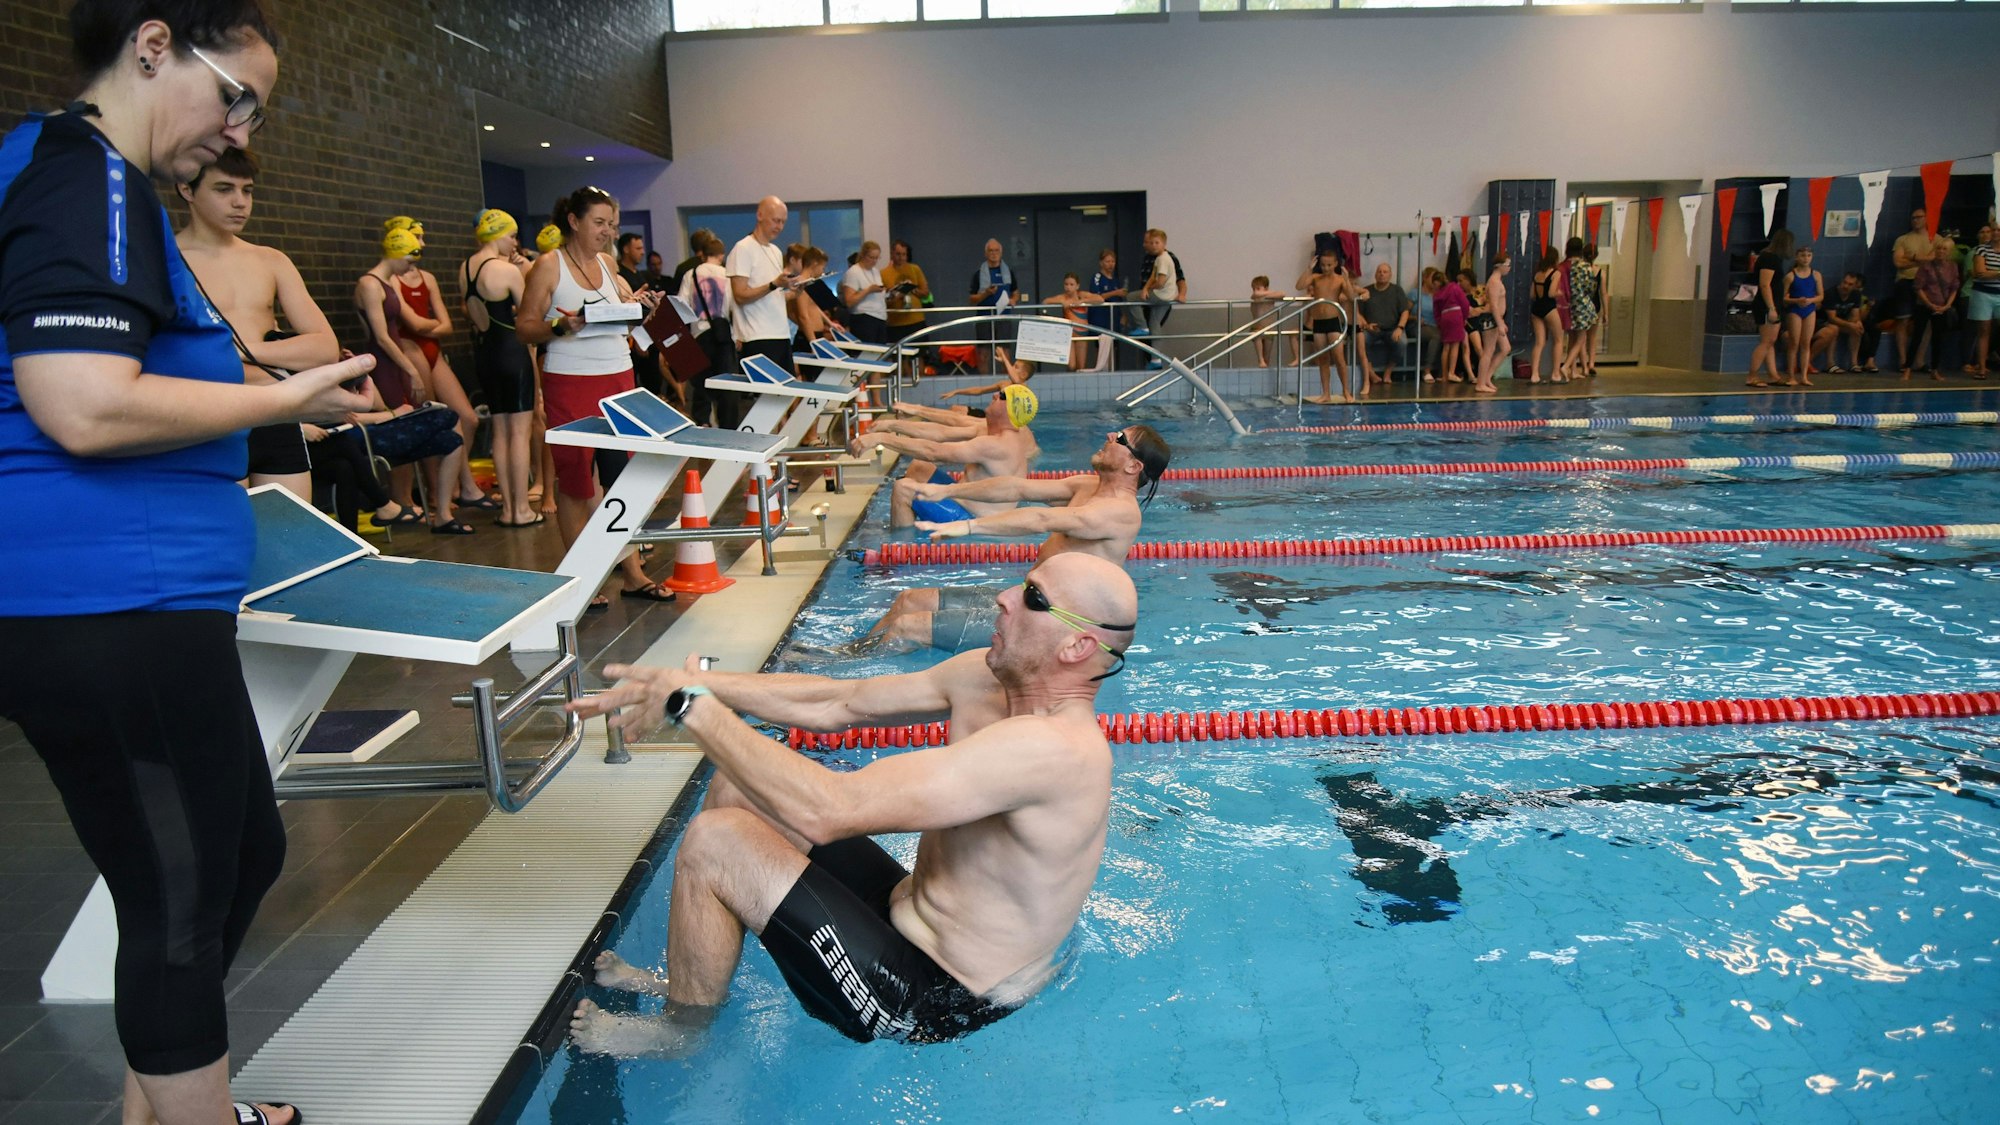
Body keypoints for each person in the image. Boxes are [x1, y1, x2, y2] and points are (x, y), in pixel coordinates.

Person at [0, 6, 376, 1121]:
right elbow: (78, 404)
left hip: (108, 601)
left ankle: (155, 1106)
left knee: (230, 857)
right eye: (236, 97)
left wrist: (297, 420)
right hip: (110, 602)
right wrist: (277, 396)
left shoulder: (53, 163)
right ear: (154, 47)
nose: (237, 131)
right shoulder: (89, 176)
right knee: (183, 888)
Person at [566, 550, 1138, 1056]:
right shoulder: (986, 680)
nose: (1005, 597)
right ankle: (690, 988)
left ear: (1078, 645)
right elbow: (843, 701)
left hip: (937, 995)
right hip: (905, 913)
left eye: (1033, 597)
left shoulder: (1053, 750)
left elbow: (830, 809)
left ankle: (681, 1035)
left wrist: (690, 706)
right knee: (740, 791)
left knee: (716, 843)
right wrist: (702, 685)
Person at [857, 425, 1171, 655]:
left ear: (1133, 465)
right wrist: (948, 491)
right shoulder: (1087, 486)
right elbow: (1016, 488)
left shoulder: (1121, 513)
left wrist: (969, 527)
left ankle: (853, 678)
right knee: (907, 601)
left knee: (906, 628)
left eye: (1120, 438)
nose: (1109, 435)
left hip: (1052, 625)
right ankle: (852, 655)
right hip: (1027, 601)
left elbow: (1041, 518)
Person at [517, 184, 675, 608]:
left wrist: (642, 307)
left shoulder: (607, 264)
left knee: (620, 476)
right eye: (600, 223)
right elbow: (526, 326)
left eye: (612, 224)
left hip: (617, 376)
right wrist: (559, 327)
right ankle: (580, 577)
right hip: (571, 380)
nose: (608, 232)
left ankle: (632, 575)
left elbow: (623, 325)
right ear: (574, 221)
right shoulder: (549, 267)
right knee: (574, 480)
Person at [174, 146, 338, 503]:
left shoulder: (270, 261)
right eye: (224, 189)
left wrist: (241, 351)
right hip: (212, 417)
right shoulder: (166, 262)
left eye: (247, 191)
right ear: (187, 189)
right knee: (231, 545)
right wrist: (274, 360)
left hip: (274, 412)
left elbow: (325, 348)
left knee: (292, 545)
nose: (240, 202)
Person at [383, 216, 489, 518]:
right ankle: (437, 492)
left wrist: (430, 327)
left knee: (468, 418)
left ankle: (453, 484)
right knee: (432, 420)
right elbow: (414, 323)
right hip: (411, 352)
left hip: (433, 352)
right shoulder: (390, 280)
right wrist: (432, 326)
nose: (423, 243)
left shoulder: (427, 278)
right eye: (417, 237)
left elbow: (447, 326)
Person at [356, 224, 458, 525]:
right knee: (396, 425)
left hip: (393, 360)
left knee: (407, 423)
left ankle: (406, 500)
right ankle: (398, 500)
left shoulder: (384, 282)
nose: (412, 267)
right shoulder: (370, 284)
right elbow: (382, 336)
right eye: (409, 260)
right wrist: (410, 367)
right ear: (397, 254)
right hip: (385, 362)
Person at [859, 384, 1040, 528]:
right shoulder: (991, 431)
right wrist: (892, 426)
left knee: (903, 489)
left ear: (1010, 410)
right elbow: (942, 433)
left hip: (971, 519)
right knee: (920, 466)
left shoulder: (996, 445)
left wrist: (881, 439)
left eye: (1001, 396)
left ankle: (901, 553)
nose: (994, 395)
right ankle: (909, 518)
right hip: (963, 502)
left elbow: (935, 452)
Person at [459, 208, 540, 527]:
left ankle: (508, 509)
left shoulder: (464, 268)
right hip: (512, 353)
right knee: (519, 432)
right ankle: (522, 510)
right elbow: (528, 313)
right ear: (497, 234)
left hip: (485, 355)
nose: (515, 243)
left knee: (501, 431)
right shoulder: (505, 270)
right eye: (511, 235)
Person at [729, 196, 803, 379]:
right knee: (767, 399)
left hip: (781, 333)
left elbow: (772, 296)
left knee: (786, 396)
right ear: (760, 215)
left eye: (783, 222)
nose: (779, 226)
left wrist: (793, 292)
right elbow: (740, 295)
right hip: (758, 336)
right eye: (775, 220)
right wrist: (774, 284)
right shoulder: (743, 248)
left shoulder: (775, 251)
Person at [678, 229, 742, 429]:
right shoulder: (728, 276)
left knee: (701, 383)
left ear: (702, 254)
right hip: (724, 334)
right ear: (721, 255)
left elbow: (681, 303)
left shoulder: (692, 274)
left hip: (700, 334)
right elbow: (735, 306)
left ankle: (703, 422)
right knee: (726, 383)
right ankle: (728, 426)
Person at [1297, 248, 1357, 403]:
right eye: (1323, 265)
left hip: (1333, 322)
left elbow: (1351, 297)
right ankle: (1326, 393)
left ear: (1336, 264)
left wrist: (1347, 279)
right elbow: (1299, 285)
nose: (1326, 268)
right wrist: (1309, 269)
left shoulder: (1340, 280)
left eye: (1329, 265)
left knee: (1339, 358)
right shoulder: (1316, 278)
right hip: (1319, 323)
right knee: (1322, 359)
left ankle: (1346, 391)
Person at [1892, 208, 1939, 378]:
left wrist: (1912, 258)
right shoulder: (1903, 239)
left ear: (1927, 218)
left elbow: (1939, 260)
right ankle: (1904, 361)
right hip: (1906, 282)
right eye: (1913, 218)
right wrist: (1922, 260)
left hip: (1928, 285)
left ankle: (1919, 360)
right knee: (1902, 320)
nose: (1915, 220)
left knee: (1925, 323)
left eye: (1919, 217)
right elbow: (1898, 262)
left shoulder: (1936, 239)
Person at [1745, 229, 1794, 388]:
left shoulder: (1772, 258)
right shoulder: (1769, 259)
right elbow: (1765, 284)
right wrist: (1771, 308)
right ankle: (1752, 377)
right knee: (1766, 341)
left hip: (1772, 304)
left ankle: (1773, 375)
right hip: (1767, 305)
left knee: (1770, 341)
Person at [967, 237, 1025, 368]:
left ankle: (1008, 385)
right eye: (990, 250)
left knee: (1005, 353)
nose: (994, 253)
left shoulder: (1008, 272)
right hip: (984, 317)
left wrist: (1014, 300)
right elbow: (971, 299)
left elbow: (1016, 292)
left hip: (1004, 316)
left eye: (996, 250)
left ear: (1001, 252)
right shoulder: (978, 274)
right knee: (983, 354)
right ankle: (984, 384)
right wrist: (986, 293)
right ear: (986, 253)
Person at [1911, 233, 1960, 381]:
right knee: (1918, 336)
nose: (1941, 252)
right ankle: (1908, 367)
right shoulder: (1926, 267)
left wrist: (1947, 305)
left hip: (1941, 306)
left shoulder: (1952, 267)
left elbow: (1954, 288)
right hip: (1925, 304)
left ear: (1949, 252)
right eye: (1939, 248)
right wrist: (1929, 304)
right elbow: (1918, 287)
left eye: (1944, 249)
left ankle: (1934, 369)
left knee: (1937, 339)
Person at [1355, 263, 1412, 387]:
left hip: (1392, 328)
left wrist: (1400, 328)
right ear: (1375, 275)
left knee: (1402, 342)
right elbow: (1357, 312)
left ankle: (1388, 371)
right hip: (1372, 329)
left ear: (1390, 275)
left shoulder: (1397, 290)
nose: (1382, 274)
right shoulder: (1366, 290)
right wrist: (1366, 325)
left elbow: (1405, 311)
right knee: (1360, 339)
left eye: (1385, 272)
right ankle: (1370, 373)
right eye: (1379, 271)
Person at [1810, 272, 1879, 374]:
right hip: (1823, 321)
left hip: (1840, 322)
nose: (1846, 286)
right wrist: (1850, 324)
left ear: (1855, 287)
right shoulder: (1831, 294)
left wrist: (1857, 322)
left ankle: (1853, 363)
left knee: (1856, 329)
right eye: (1845, 283)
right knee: (1834, 329)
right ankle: (1830, 364)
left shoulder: (1856, 295)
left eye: (1850, 284)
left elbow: (1855, 315)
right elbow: (1832, 318)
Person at [1130, 229, 1182, 348]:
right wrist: (1145, 289)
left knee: (1131, 297)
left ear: (1164, 244)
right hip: (1166, 296)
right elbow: (1152, 277)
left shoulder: (1164, 259)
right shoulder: (1156, 258)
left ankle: (1142, 326)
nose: (1153, 246)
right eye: (1151, 243)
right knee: (1154, 324)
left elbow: (1160, 282)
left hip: (1162, 295)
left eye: (1156, 243)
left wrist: (1147, 290)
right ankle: (1156, 359)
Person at [1782, 244, 1824, 387]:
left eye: (1808, 256)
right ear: (1796, 257)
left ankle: (1804, 376)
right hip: (1795, 311)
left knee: (1806, 343)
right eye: (1802, 255)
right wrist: (1797, 301)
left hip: (1810, 310)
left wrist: (1810, 300)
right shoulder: (1790, 276)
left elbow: (1820, 296)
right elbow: (1784, 298)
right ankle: (1791, 376)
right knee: (1794, 343)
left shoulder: (1816, 275)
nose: (1806, 258)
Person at [1043, 272, 1102, 368]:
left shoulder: (1082, 295)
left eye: (1071, 284)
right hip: (1068, 333)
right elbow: (1045, 301)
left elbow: (1100, 299)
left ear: (1077, 286)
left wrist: (1082, 302)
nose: (1068, 287)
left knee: (1081, 365)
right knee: (1071, 365)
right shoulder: (1062, 297)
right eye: (1066, 284)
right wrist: (1062, 302)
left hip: (1082, 333)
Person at [1474, 252, 1512, 394]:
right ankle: (1480, 384)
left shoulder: (1497, 281)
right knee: (1488, 351)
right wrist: (1500, 323)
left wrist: (1501, 321)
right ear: (1500, 266)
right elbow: (1494, 306)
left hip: (1496, 319)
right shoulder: (1495, 282)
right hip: (1491, 320)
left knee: (1505, 348)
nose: (1509, 268)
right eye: (1508, 265)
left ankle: (1486, 377)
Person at [881, 238, 930, 347]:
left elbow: (925, 292)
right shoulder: (883, 273)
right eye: (898, 254)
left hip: (916, 320)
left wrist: (911, 289)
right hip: (896, 322)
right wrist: (897, 294)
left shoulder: (915, 269)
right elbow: (883, 300)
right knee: (900, 356)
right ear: (892, 254)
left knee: (920, 353)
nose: (901, 258)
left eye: (904, 254)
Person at [840, 239, 890, 344]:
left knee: (881, 353)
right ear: (863, 255)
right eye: (871, 257)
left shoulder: (875, 271)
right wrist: (868, 290)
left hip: (880, 316)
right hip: (864, 317)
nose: (874, 261)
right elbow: (849, 301)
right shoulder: (853, 272)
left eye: (877, 258)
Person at [1966, 222, 1999, 380]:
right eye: (1994, 230)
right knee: (1983, 330)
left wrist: (1991, 273)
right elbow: (1980, 273)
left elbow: (1987, 273)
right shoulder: (1981, 249)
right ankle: (1981, 367)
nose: (1996, 233)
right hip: (1983, 294)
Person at [1433, 268, 1473, 393]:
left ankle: (1444, 375)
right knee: (1455, 345)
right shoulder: (1454, 287)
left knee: (1446, 347)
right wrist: (1464, 317)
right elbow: (1465, 303)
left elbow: (1436, 311)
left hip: (1444, 317)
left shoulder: (1437, 294)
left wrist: (1439, 322)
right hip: (1456, 315)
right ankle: (1451, 372)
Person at [1086, 247, 1126, 372]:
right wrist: (1115, 292)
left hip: (1113, 317)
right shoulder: (1097, 277)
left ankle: (1111, 372)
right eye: (1108, 261)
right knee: (1101, 347)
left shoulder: (1115, 280)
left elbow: (1119, 300)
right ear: (1101, 263)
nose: (1110, 264)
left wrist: (1123, 315)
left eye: (1113, 261)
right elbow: (1097, 297)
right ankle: (1101, 371)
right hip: (1100, 317)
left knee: (1113, 346)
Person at [1527, 247, 1562, 384]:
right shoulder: (1555, 273)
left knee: (1539, 342)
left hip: (1536, 309)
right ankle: (1556, 373)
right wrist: (1560, 293)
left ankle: (1534, 375)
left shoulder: (1537, 274)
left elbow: (1532, 294)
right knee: (1558, 340)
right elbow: (1551, 293)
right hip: (1549, 308)